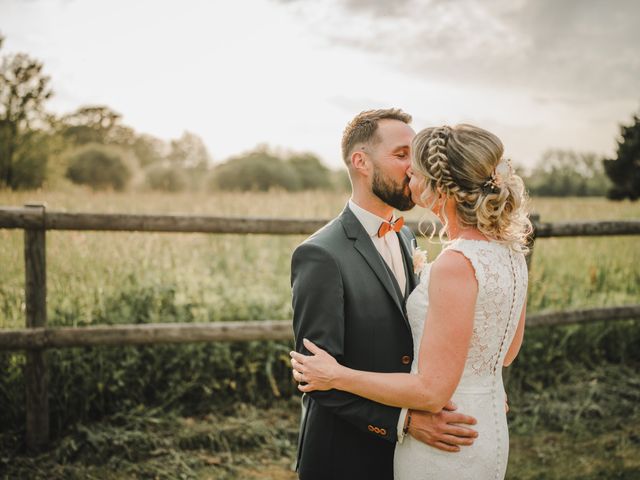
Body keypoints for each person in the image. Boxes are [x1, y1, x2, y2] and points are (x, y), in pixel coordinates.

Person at [291, 124, 532, 479]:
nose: (411, 170)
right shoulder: (321, 254)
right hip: (355, 456)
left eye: (415, 160)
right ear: (361, 162)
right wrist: (407, 419)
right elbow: (313, 373)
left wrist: (339, 376)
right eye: (401, 155)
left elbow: (434, 379)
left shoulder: (430, 248)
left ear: (443, 184)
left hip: (449, 433)